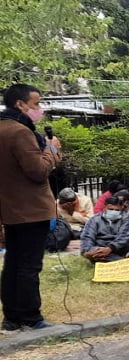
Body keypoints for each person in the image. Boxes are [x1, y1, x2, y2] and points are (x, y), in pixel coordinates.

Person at [0, 83, 62, 330]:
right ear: (20, 104)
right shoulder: (20, 132)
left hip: (10, 208)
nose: (39, 109)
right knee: (29, 265)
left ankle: (12, 317)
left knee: (13, 263)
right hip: (31, 209)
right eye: (36, 103)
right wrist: (51, 150)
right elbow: (37, 171)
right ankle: (30, 316)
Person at [81, 196, 129, 262]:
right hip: (100, 247)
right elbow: (87, 237)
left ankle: (113, 259)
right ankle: (121, 259)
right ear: (104, 208)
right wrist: (87, 252)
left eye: (117, 210)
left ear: (121, 209)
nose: (113, 212)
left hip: (119, 247)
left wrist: (110, 248)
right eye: (111, 209)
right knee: (93, 251)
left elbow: (124, 237)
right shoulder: (94, 220)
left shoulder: (125, 219)